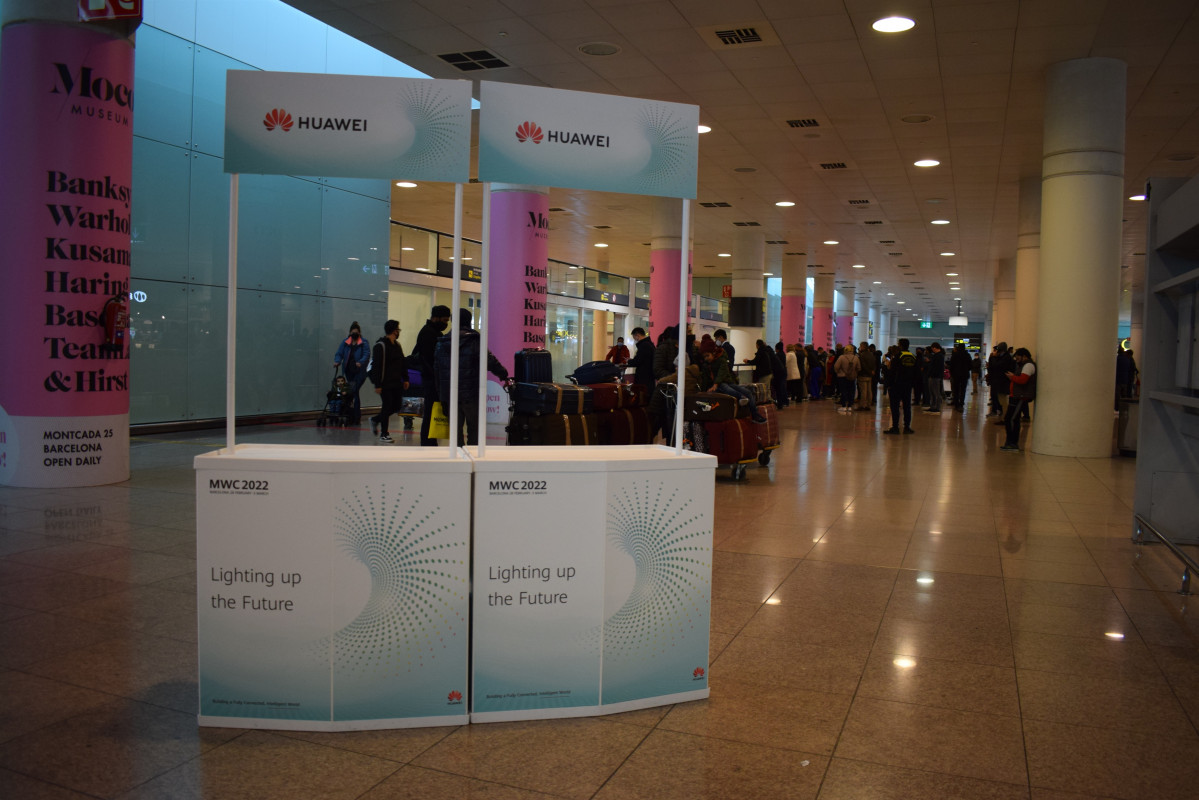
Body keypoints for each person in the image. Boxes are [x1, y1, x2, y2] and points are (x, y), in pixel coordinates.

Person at [434, 308, 510, 447]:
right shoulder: (474, 340)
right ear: (469, 322)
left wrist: (441, 395)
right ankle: (473, 456)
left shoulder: (441, 343)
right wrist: (503, 374)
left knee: (455, 431)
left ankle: (458, 456)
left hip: (450, 394)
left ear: (452, 321)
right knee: (474, 428)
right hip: (471, 393)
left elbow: (437, 372)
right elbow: (490, 361)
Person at [698, 338, 766, 423]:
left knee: (747, 392)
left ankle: (755, 415)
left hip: (724, 382)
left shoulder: (721, 359)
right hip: (718, 385)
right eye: (704, 356)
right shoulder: (706, 365)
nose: (706, 358)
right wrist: (705, 390)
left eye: (707, 355)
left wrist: (716, 383)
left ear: (713, 352)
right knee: (726, 387)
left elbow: (722, 372)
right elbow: (706, 379)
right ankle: (741, 397)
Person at [413, 305, 452, 446]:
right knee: (431, 411)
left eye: (447, 320)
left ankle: (430, 440)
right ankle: (428, 442)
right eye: (444, 320)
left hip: (432, 378)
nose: (445, 323)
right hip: (431, 379)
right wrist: (436, 378)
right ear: (435, 317)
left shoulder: (432, 332)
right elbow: (429, 359)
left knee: (433, 411)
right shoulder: (429, 333)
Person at [368, 320, 409, 443]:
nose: (399, 332)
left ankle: (375, 420)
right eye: (398, 330)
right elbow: (376, 366)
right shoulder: (380, 346)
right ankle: (384, 434)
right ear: (394, 331)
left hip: (396, 382)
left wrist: (405, 378)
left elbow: (402, 363)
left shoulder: (397, 345)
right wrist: (377, 384)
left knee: (396, 406)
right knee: (386, 406)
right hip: (384, 383)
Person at [333, 321, 369, 425]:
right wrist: (337, 361)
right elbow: (339, 353)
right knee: (352, 392)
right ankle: (352, 414)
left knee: (354, 391)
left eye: (356, 333)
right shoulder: (345, 342)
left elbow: (367, 354)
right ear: (349, 333)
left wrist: (361, 362)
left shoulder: (364, 343)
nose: (354, 335)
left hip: (360, 372)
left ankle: (355, 416)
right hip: (349, 371)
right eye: (353, 333)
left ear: (359, 333)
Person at [1001, 347, 1036, 451]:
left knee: (1010, 419)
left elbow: (1023, 380)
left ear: (1024, 356)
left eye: (1018, 357)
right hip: (1016, 395)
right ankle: (1010, 442)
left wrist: (1012, 377)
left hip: (1020, 396)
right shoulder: (1023, 365)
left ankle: (1012, 443)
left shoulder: (1028, 365)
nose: (1016, 359)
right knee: (1013, 419)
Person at [883, 339, 916, 435]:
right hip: (908, 385)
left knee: (895, 406)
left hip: (896, 385)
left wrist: (888, 384)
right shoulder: (913, 357)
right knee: (907, 406)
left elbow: (892, 372)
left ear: (900, 346)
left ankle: (895, 427)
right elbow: (916, 372)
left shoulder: (898, 356)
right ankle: (907, 427)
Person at [989, 343, 1015, 424]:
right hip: (1000, 382)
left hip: (1002, 382)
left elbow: (996, 366)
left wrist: (993, 357)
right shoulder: (1004, 357)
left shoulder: (1005, 358)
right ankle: (1004, 417)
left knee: (1003, 401)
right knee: (1001, 400)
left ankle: (1005, 418)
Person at [834, 344, 861, 413]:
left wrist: (838, 372)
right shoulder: (856, 358)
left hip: (842, 376)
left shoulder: (841, 357)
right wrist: (854, 373)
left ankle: (843, 406)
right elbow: (859, 368)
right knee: (851, 391)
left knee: (843, 391)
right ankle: (849, 406)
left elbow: (836, 367)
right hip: (852, 377)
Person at [629, 327, 656, 392]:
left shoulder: (644, 345)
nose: (635, 339)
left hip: (643, 378)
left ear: (637, 335)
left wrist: (629, 361)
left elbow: (638, 361)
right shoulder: (650, 344)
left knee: (642, 397)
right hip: (650, 377)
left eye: (634, 337)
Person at [948, 343, 972, 411]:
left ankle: (956, 404)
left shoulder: (955, 355)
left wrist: (952, 373)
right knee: (963, 390)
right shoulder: (967, 355)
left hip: (956, 376)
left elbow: (951, 366)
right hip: (964, 375)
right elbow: (970, 366)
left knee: (956, 390)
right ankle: (961, 404)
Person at [924, 342, 945, 414]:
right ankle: (933, 406)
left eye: (933, 349)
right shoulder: (937, 355)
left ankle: (937, 407)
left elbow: (936, 367)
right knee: (932, 392)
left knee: (936, 392)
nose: (932, 350)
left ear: (934, 348)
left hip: (935, 377)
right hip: (933, 376)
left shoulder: (939, 356)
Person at [856, 341, 876, 411]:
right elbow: (874, 364)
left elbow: (863, 366)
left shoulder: (862, 355)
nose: (860, 348)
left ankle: (862, 405)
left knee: (863, 391)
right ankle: (868, 405)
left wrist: (869, 371)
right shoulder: (871, 354)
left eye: (860, 346)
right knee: (869, 391)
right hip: (870, 376)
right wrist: (872, 372)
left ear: (863, 347)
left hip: (863, 375)